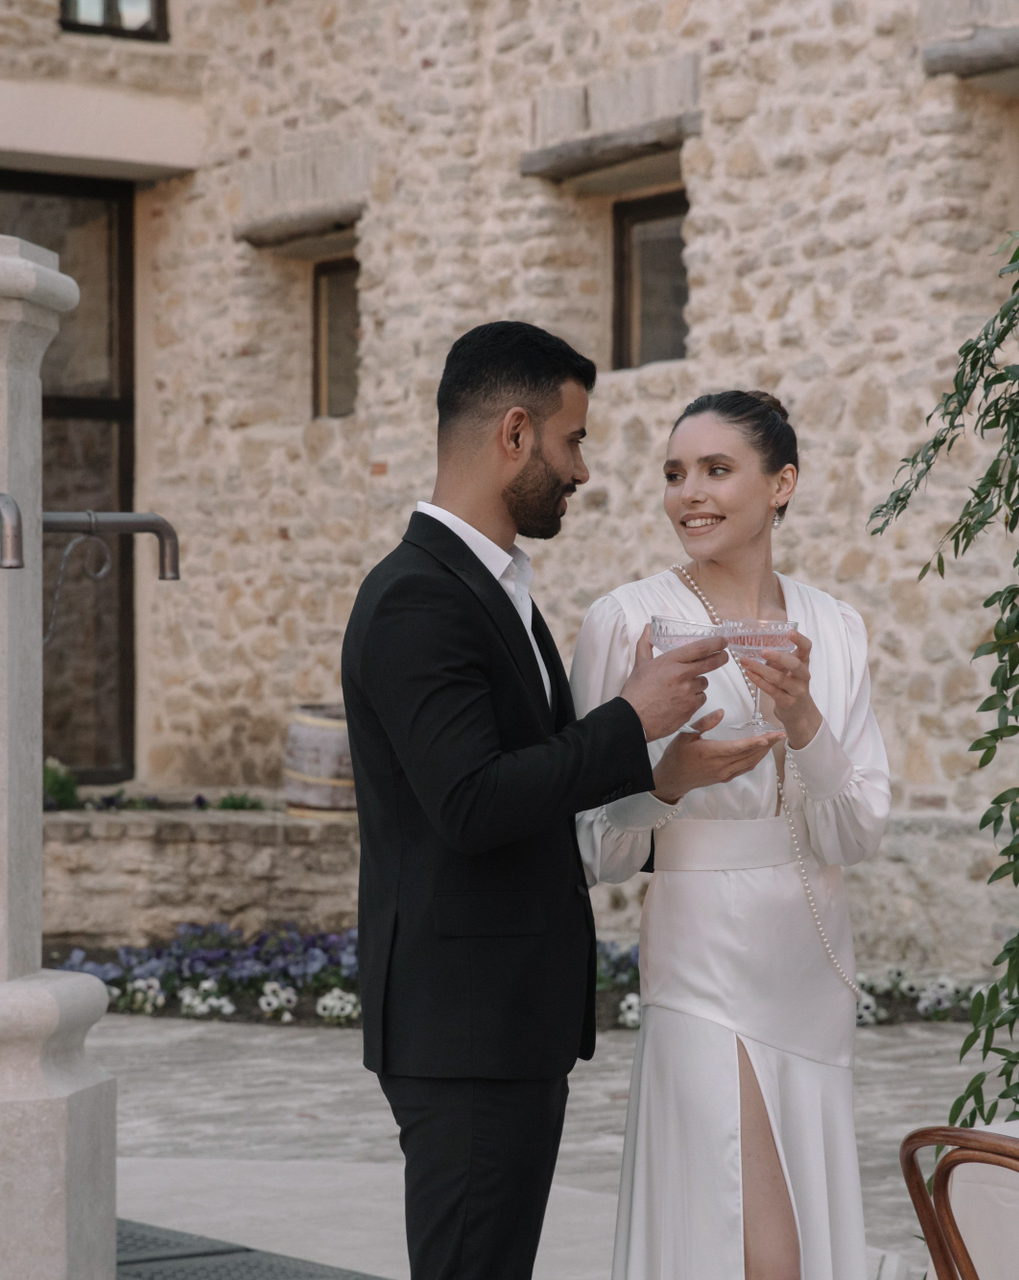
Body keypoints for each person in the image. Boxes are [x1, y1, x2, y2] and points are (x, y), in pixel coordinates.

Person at [340, 322, 737, 1280]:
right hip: (465, 1029)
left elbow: (523, 778)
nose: (582, 471)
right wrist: (629, 722)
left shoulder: (491, 586)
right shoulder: (417, 597)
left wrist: (656, 771)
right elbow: (471, 802)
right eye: (573, 440)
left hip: (503, 1023)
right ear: (514, 433)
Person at [570, 390, 892, 1280]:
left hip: (812, 959)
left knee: (797, 1234)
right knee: (752, 1241)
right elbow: (592, 845)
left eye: (717, 470)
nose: (690, 494)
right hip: (701, 956)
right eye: (675, 473)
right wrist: (666, 785)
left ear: (782, 484)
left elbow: (857, 829)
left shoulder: (835, 627)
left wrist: (804, 721)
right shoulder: (625, 621)